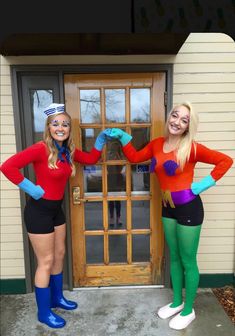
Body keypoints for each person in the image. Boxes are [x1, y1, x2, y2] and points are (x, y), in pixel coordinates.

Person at [106, 102, 233, 330]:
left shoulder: (192, 148)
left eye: (184, 120)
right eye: (175, 116)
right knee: (174, 256)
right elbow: (135, 157)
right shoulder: (156, 144)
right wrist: (124, 137)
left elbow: (225, 161)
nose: (177, 122)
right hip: (167, 207)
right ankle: (176, 302)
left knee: (187, 260)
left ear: (187, 126)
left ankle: (188, 309)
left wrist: (200, 186)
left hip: (189, 209)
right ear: (169, 117)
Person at [0, 103, 111, 329]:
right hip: (38, 211)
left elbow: (90, 160)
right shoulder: (40, 148)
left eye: (65, 124)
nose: (61, 127)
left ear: (69, 128)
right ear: (48, 126)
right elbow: (7, 166)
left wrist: (99, 141)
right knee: (46, 261)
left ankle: (56, 298)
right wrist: (31, 189)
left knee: (59, 254)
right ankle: (44, 312)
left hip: (55, 210)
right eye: (56, 123)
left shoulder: (67, 151)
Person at [107, 142, 125, 227]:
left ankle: (118, 217)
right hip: (110, 178)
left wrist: (118, 156)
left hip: (118, 178)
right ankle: (111, 217)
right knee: (110, 200)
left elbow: (121, 167)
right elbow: (107, 167)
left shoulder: (120, 155)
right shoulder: (108, 155)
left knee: (118, 200)